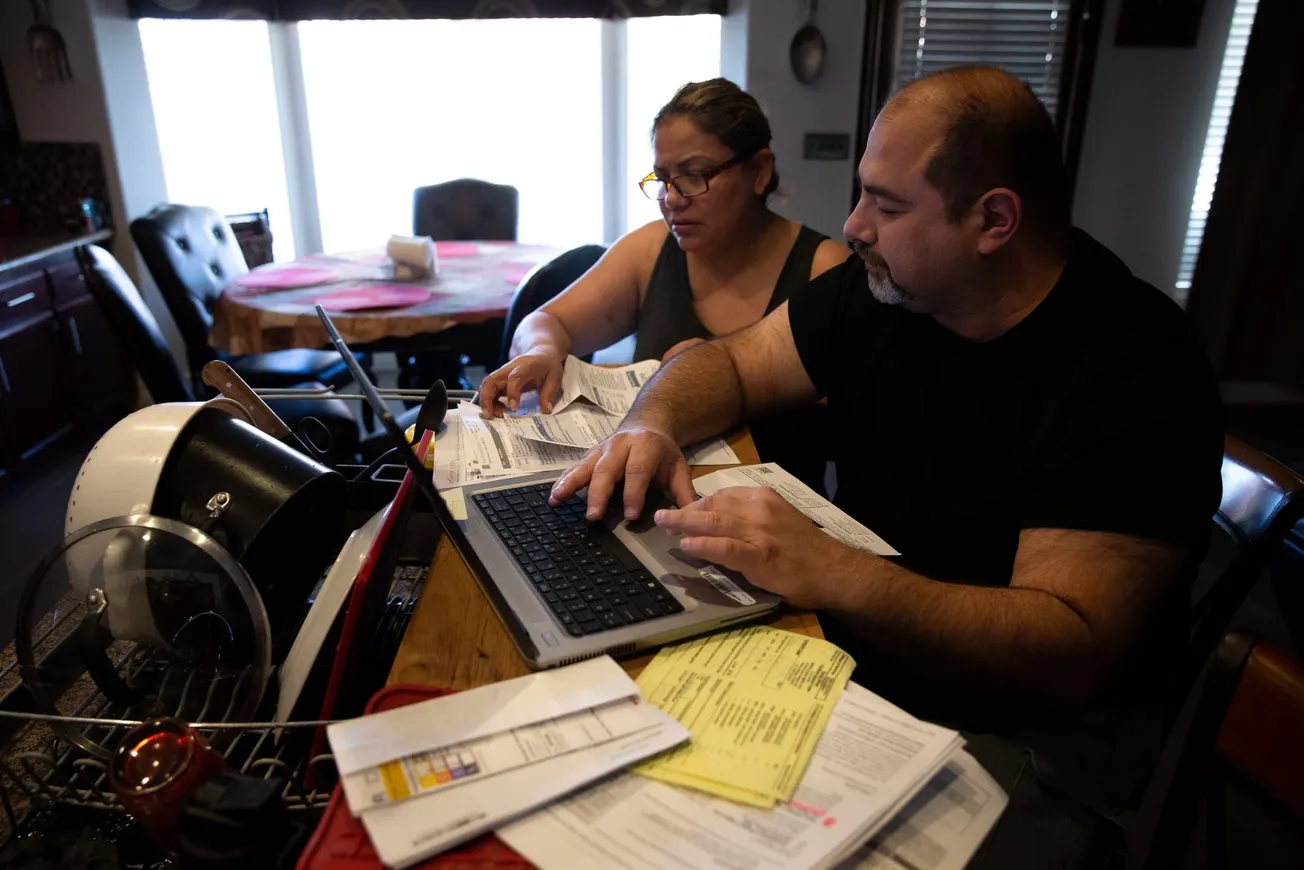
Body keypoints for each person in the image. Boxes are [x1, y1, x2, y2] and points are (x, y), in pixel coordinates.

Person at [548, 67, 1224, 863]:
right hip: (870, 658)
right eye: (862, 193)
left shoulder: (1135, 368)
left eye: (888, 204)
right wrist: (651, 422)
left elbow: (1069, 652)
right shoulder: (890, 290)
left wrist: (833, 573)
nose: (854, 224)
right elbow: (731, 364)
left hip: (1030, 738)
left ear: (994, 220)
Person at [478, 77, 847, 413]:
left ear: (760, 171)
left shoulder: (825, 269)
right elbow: (545, 320)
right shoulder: (652, 249)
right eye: (664, 178)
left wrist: (709, 374)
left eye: (695, 175)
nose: (671, 199)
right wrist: (544, 350)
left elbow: (866, 409)